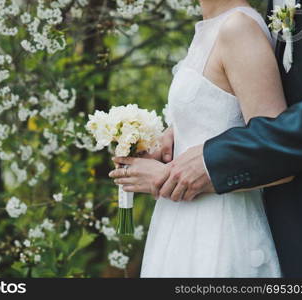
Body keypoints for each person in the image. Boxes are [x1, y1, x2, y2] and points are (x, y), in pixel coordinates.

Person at [110, 0, 290, 277]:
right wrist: (167, 139)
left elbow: (277, 154)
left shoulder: (239, 28)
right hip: (182, 225)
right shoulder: (211, 26)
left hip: (219, 232)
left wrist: (164, 177)